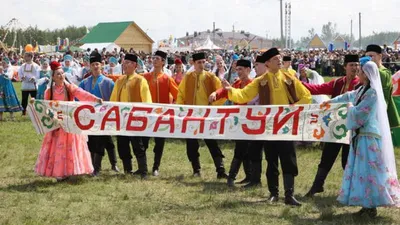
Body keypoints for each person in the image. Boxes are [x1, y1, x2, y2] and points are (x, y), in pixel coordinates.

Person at [221, 48, 312, 206]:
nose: (279, 60)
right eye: (276, 59)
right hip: (269, 126)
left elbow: (306, 96)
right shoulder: (260, 80)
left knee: (289, 159)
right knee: (271, 160)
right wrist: (230, 90)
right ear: (268, 63)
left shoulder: (289, 78)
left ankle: (289, 195)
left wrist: (292, 109)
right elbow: (244, 95)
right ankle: (273, 194)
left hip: (286, 126)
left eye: (280, 58)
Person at [327, 60, 400, 217]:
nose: (357, 73)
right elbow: (347, 97)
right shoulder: (361, 90)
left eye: (360, 71)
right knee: (362, 171)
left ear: (366, 75)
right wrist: (329, 103)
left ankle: (372, 205)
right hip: (361, 137)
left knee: (370, 171)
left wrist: (348, 109)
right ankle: (367, 205)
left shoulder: (373, 94)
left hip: (369, 138)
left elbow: (361, 114)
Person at [303, 54, 362, 198]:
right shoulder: (337, 83)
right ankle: (317, 186)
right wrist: (297, 83)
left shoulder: (361, 84)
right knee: (327, 156)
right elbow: (316, 89)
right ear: (345, 67)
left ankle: (351, 191)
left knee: (347, 161)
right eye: (351, 65)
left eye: (356, 65)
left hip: (352, 128)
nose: (354, 68)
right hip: (335, 126)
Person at [35, 61, 102, 181]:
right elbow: (46, 107)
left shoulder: (69, 88)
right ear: (53, 77)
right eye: (58, 74)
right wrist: (52, 115)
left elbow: (82, 94)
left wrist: (95, 99)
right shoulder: (49, 91)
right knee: (58, 148)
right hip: (57, 124)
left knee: (71, 147)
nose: (61, 76)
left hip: (70, 123)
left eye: (62, 73)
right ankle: (59, 172)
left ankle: (71, 170)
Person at [176, 52, 228, 179]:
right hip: (191, 116)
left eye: (203, 62)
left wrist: (215, 98)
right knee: (191, 144)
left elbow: (222, 91)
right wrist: (180, 110)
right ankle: (196, 169)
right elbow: (181, 94)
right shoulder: (187, 77)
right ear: (193, 63)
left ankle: (220, 170)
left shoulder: (211, 77)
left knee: (212, 143)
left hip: (207, 116)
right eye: (199, 62)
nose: (201, 65)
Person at [209, 59, 253, 187]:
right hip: (238, 120)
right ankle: (249, 176)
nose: (238, 72)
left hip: (250, 121)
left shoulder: (252, 84)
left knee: (241, 149)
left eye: (241, 69)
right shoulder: (237, 83)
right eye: (237, 69)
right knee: (243, 148)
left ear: (248, 70)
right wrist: (215, 93)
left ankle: (232, 177)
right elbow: (224, 91)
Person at [110, 53, 152, 178]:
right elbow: (113, 100)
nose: (125, 64)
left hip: (136, 118)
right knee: (122, 144)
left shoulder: (140, 80)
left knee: (138, 144)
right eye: (124, 62)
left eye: (128, 62)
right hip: (121, 118)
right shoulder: (119, 80)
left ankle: (143, 170)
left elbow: (146, 100)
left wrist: (145, 115)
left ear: (135, 65)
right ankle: (127, 170)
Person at [79, 52, 118, 176]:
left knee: (103, 141)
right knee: (93, 141)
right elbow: (77, 98)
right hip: (89, 117)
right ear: (89, 66)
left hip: (104, 117)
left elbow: (115, 100)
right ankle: (94, 166)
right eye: (93, 64)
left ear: (101, 65)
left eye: (97, 64)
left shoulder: (108, 82)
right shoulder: (84, 83)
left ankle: (100, 167)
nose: (95, 67)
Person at [142, 50, 179, 176]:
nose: (154, 60)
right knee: (143, 142)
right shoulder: (145, 77)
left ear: (163, 62)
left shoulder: (167, 79)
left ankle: (156, 167)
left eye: (157, 58)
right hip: (147, 115)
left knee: (159, 143)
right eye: (154, 58)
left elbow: (178, 95)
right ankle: (143, 166)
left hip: (162, 116)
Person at [365, 44, 400, 128]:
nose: (369, 59)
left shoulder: (384, 73)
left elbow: (383, 97)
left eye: (371, 56)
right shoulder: (369, 70)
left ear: (380, 56)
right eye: (366, 56)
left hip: (379, 113)